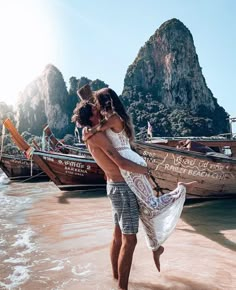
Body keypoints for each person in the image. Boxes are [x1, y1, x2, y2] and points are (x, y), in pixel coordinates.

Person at [76, 85, 196, 264]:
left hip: (132, 167)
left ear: (105, 104)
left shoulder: (113, 119)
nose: (97, 108)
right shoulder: (109, 120)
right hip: (128, 169)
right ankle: (156, 247)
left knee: (152, 206)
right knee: (145, 210)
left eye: (98, 104)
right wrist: (86, 128)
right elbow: (93, 125)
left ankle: (180, 189)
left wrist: (85, 132)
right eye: (95, 106)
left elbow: (94, 129)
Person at [72, 100, 150, 290]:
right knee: (130, 240)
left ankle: (115, 277)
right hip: (123, 188)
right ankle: (122, 288)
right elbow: (121, 163)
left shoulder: (89, 134)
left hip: (112, 186)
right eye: (95, 110)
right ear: (91, 116)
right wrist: (145, 170)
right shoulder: (97, 137)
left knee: (117, 236)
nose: (99, 111)